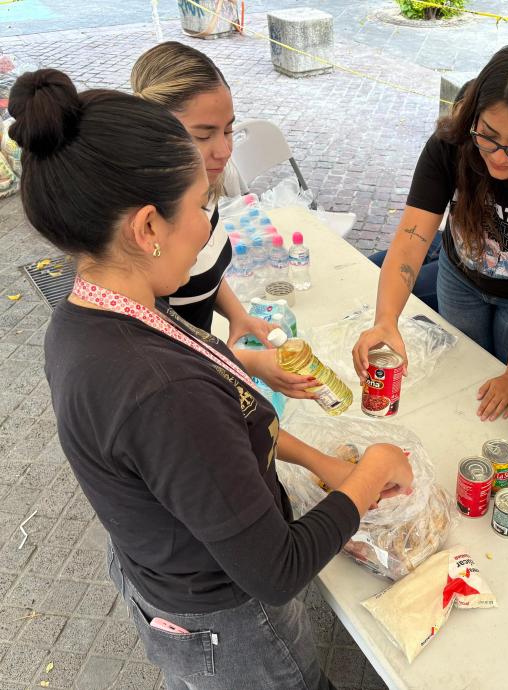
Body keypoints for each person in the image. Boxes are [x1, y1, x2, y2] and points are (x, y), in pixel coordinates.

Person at [11, 69, 413, 689]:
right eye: (201, 206)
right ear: (147, 229)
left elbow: (190, 436)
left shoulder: (92, 312)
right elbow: (276, 572)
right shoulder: (160, 391)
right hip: (228, 622)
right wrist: (370, 473)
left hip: (163, 577)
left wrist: (257, 382)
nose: (208, 226)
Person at [353, 43, 508, 422]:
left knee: (504, 393)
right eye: (487, 134)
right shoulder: (451, 144)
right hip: (461, 280)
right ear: (474, 119)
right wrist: (386, 320)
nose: (499, 156)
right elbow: (411, 240)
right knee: (462, 374)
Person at [131, 41, 315, 401]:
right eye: (203, 135)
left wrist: (237, 315)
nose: (225, 150)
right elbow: (165, 349)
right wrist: (248, 363)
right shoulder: (143, 228)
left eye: (228, 129)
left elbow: (205, 268)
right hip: (182, 386)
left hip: (209, 365)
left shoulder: (201, 188)